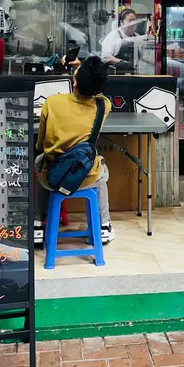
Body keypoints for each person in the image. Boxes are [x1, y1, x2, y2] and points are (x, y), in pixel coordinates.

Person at [33, 55, 113, 248]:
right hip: (85, 177)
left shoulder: (52, 102)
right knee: (101, 168)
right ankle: (104, 226)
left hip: (53, 176)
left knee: (41, 163)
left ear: (75, 82)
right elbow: (96, 81)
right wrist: (84, 69)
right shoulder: (103, 106)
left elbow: (40, 144)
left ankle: (37, 225)